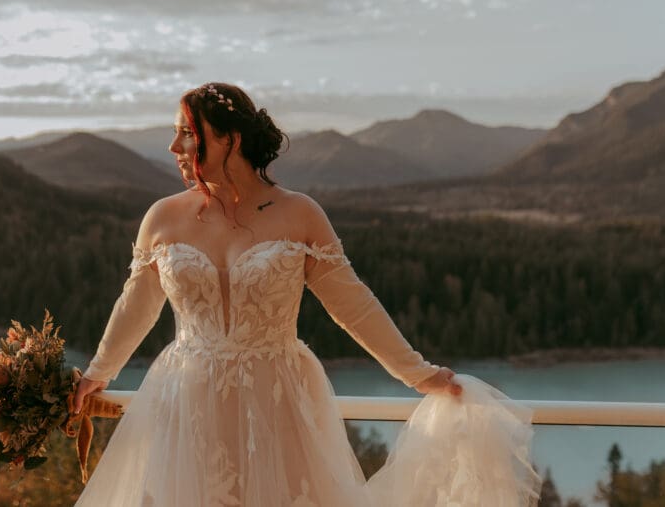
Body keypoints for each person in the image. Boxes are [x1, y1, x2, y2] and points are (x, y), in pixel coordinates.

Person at [71, 82, 539, 506]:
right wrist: (98, 373)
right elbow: (138, 302)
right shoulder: (162, 217)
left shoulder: (300, 214)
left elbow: (352, 303)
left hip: (279, 400)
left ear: (231, 139)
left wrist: (420, 374)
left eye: (188, 134)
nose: (174, 146)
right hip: (187, 397)